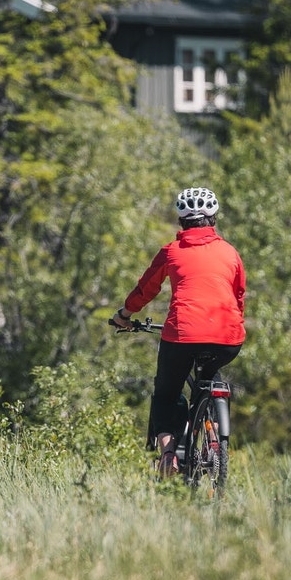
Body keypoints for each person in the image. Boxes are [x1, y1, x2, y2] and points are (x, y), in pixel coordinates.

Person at [111, 187, 246, 475]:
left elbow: (146, 289)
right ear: (214, 219)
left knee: (167, 394)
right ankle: (214, 440)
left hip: (182, 335)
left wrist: (125, 315)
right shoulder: (230, 253)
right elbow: (239, 296)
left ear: (181, 222)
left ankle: (169, 454)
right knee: (211, 378)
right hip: (228, 338)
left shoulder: (171, 252)